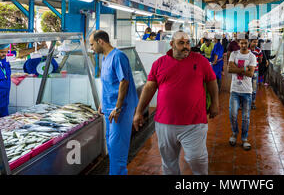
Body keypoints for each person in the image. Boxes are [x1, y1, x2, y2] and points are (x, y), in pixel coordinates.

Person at [133, 31, 219, 175]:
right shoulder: (159, 63)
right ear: (172, 44)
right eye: (181, 43)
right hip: (165, 122)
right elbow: (149, 87)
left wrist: (215, 103)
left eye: (187, 43)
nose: (186, 46)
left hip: (194, 121)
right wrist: (138, 112)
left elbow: (211, 81)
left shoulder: (200, 61)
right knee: (169, 162)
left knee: (196, 158)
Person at [89, 30, 138, 175]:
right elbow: (108, 84)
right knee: (111, 145)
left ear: (100, 42)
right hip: (109, 108)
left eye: (92, 44)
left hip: (120, 110)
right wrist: (103, 103)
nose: (91, 48)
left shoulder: (118, 56)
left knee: (117, 148)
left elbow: (124, 82)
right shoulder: (105, 58)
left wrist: (117, 107)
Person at [0, 42, 47, 117]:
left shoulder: (5, 57)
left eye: (6, 52)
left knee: (4, 121)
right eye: (2, 52)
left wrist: (38, 47)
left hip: (4, 101)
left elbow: (21, 53)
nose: (5, 54)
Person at [227, 35, 257, 151]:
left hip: (247, 91)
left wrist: (237, 68)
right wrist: (245, 69)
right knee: (233, 114)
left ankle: (244, 138)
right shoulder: (234, 54)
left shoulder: (252, 56)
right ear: (238, 43)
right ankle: (234, 133)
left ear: (248, 43)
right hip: (234, 90)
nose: (243, 45)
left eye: (245, 43)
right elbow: (229, 69)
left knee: (246, 117)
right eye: (241, 43)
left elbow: (251, 74)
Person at [249, 36, 263, 110]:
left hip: (255, 71)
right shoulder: (247, 50)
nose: (255, 43)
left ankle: (253, 102)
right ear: (250, 42)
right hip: (247, 71)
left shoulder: (259, 50)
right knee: (247, 87)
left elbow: (260, 59)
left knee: (254, 87)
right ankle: (245, 102)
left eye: (256, 42)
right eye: (254, 41)